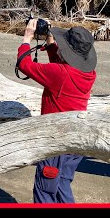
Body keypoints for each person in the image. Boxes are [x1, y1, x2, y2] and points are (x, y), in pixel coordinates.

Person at [17, 19, 97, 203]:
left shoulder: (60, 74)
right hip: (76, 142)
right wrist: (53, 45)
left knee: (45, 190)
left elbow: (24, 65)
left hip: (55, 141)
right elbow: (62, 67)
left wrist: (27, 38)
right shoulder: (89, 74)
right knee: (62, 185)